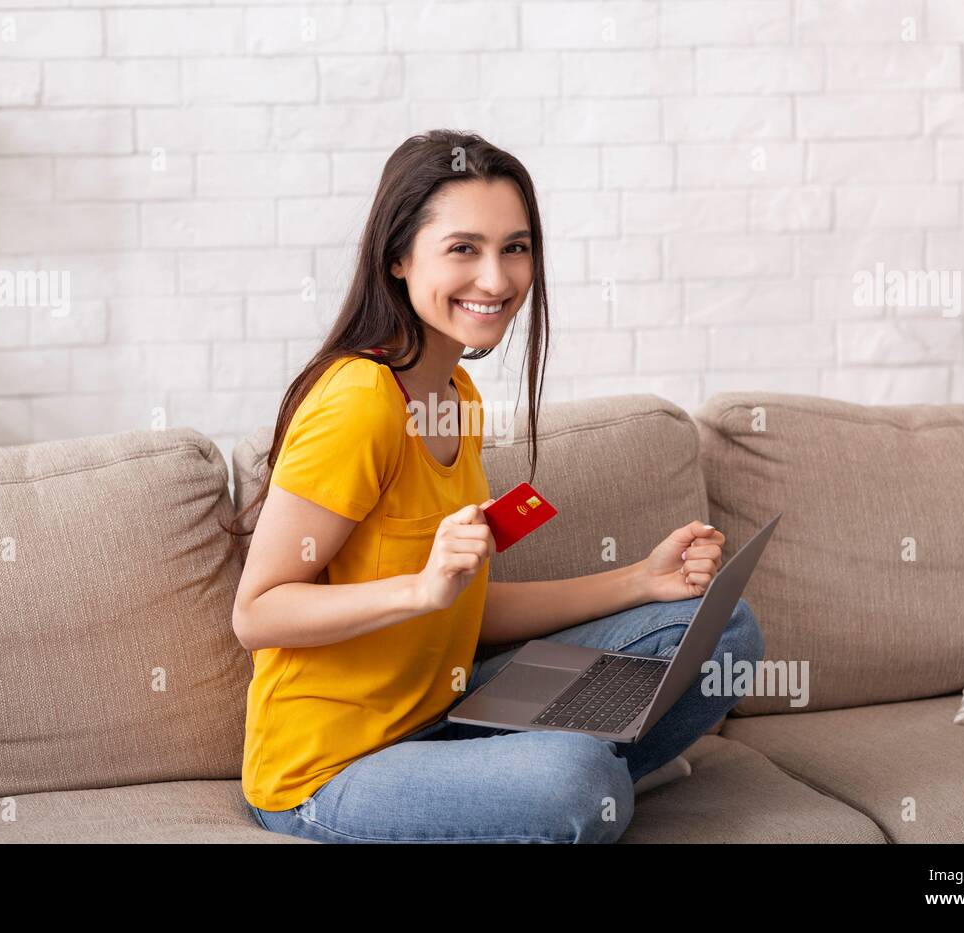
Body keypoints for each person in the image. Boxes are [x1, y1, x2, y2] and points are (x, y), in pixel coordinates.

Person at [224, 129, 764, 843]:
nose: (497, 278)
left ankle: (511, 780)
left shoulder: (458, 394)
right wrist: (420, 588)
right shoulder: (357, 404)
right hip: (330, 772)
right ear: (397, 257)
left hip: (446, 713)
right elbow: (256, 613)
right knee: (578, 783)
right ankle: (554, 775)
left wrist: (641, 579)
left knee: (725, 628)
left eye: (515, 247)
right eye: (463, 248)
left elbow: (466, 610)